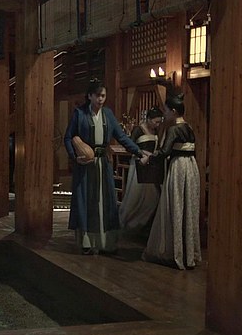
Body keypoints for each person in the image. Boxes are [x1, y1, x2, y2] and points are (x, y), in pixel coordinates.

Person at [64, 81, 147, 255]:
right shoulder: (80, 113)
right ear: (90, 96)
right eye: (97, 95)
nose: (101, 99)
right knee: (87, 201)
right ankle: (86, 242)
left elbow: (121, 137)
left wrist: (139, 152)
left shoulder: (108, 114)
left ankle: (105, 243)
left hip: (103, 164)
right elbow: (68, 137)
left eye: (103, 96)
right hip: (86, 165)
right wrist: (74, 157)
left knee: (104, 201)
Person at [141, 94, 201, 270]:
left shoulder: (173, 129)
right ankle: (188, 252)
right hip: (191, 167)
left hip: (178, 168)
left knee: (176, 206)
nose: (164, 114)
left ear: (174, 111)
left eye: (166, 111)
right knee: (188, 208)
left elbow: (164, 152)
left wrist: (149, 158)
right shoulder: (189, 127)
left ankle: (175, 252)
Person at [119, 107, 165, 240]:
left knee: (153, 197)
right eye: (155, 122)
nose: (157, 125)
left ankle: (144, 224)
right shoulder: (138, 130)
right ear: (149, 119)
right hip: (139, 164)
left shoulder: (155, 131)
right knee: (136, 196)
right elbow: (130, 147)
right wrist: (143, 153)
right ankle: (129, 223)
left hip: (151, 165)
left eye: (159, 122)